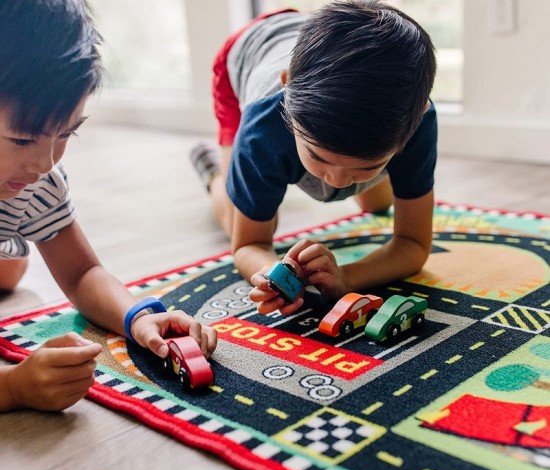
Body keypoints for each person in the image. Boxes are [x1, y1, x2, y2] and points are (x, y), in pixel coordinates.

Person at [0, 0, 216, 412]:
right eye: (24, 140)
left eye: (66, 134)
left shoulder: (36, 179)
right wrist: (12, 387)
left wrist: (137, 317)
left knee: (10, 269)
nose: (45, 164)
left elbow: (82, 272)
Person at [190, 0, 437, 316]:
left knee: (377, 204)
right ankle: (213, 173)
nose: (333, 179)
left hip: (313, 52)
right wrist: (271, 274)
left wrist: (346, 277)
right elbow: (248, 245)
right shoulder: (261, 130)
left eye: (369, 165)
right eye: (318, 157)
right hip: (244, 54)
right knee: (234, 213)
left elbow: (413, 245)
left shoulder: (418, 120)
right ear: (286, 86)